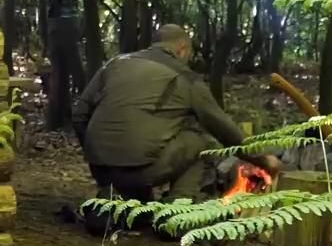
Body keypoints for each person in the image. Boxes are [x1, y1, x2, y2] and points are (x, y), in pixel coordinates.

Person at [72, 24, 280, 210]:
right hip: (142, 170)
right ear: (182, 49)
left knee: (137, 205)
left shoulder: (115, 64)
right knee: (202, 143)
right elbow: (221, 127)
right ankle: (176, 212)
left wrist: (98, 155)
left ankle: (113, 203)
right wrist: (262, 159)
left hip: (100, 169)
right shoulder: (186, 78)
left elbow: (80, 115)